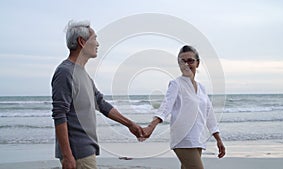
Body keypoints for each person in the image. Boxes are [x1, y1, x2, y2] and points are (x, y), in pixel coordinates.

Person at [51, 20, 144, 169]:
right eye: (94, 39)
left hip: (87, 150)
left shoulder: (82, 73)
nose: (97, 44)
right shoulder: (65, 72)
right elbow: (59, 114)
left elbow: (100, 103)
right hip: (77, 153)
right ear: (82, 42)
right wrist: (67, 155)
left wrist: (129, 124)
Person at [143, 45, 226, 169]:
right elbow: (166, 106)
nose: (187, 64)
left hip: (198, 139)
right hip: (183, 139)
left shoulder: (202, 88)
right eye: (183, 61)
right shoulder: (176, 84)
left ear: (197, 63)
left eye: (190, 60)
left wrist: (218, 139)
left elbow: (209, 115)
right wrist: (151, 126)